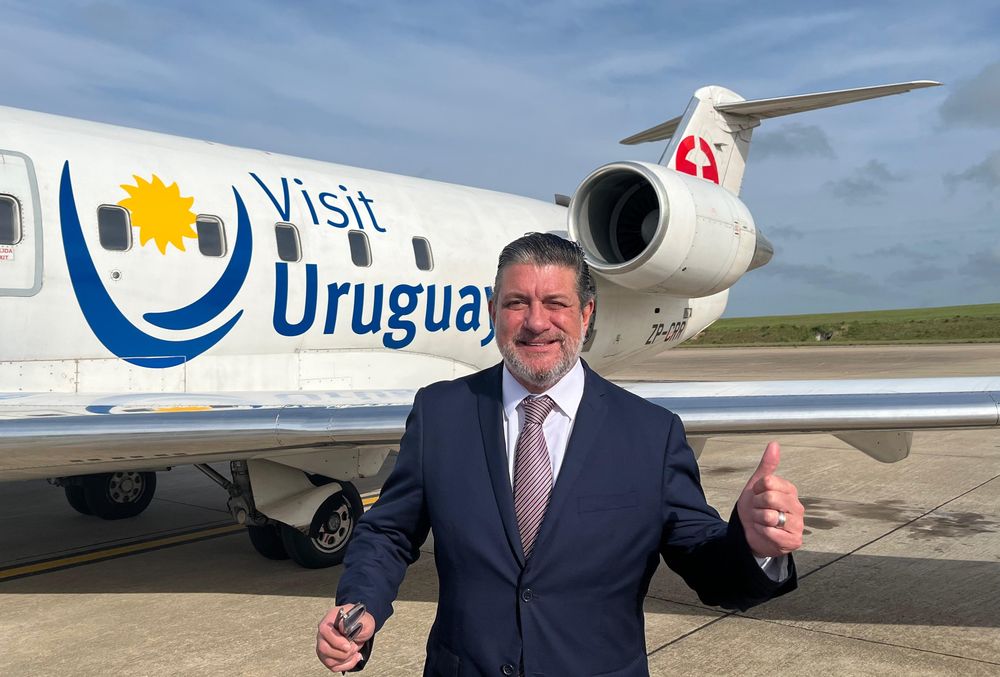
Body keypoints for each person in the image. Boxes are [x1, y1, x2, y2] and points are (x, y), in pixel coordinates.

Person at [316, 233, 803, 676]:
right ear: (492, 311)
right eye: (516, 303)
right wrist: (361, 605)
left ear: (586, 314)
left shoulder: (650, 435)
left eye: (555, 303)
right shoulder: (441, 413)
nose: (535, 322)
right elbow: (389, 532)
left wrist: (752, 545)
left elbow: (707, 567)